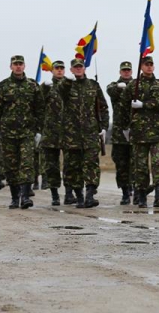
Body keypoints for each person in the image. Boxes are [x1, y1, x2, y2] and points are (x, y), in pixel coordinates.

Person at [0, 55, 45, 209]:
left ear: (24, 66)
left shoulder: (32, 85)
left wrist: (39, 131)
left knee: (27, 164)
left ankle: (26, 197)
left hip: (27, 132)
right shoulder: (3, 86)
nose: (18, 67)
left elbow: (40, 109)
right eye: (15, 64)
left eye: (20, 64)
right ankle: (15, 197)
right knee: (11, 167)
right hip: (7, 134)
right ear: (11, 67)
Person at [56, 58, 109, 208]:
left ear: (84, 68)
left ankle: (90, 196)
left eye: (81, 67)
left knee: (91, 165)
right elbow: (60, 91)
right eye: (75, 67)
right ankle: (79, 197)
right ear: (71, 70)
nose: (78, 69)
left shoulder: (93, 85)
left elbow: (103, 108)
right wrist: (67, 81)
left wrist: (103, 127)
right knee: (74, 167)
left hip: (91, 133)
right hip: (71, 135)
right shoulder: (66, 86)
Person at [121, 56, 159, 208]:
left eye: (151, 64)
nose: (149, 67)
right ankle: (141, 196)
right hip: (138, 132)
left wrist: (144, 105)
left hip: (157, 132)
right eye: (146, 65)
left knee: (158, 163)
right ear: (141, 67)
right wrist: (125, 127)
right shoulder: (133, 85)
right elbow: (123, 106)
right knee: (140, 166)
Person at [106, 61, 134, 205]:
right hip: (119, 132)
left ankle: (135, 189)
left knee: (136, 164)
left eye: (128, 70)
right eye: (124, 70)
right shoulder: (113, 86)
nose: (126, 72)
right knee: (121, 165)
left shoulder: (137, 85)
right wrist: (121, 87)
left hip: (136, 130)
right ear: (120, 72)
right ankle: (124, 192)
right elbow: (111, 91)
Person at [40, 60, 66, 206]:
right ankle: (55, 194)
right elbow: (38, 103)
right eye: (57, 68)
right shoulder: (47, 87)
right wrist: (44, 89)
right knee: (52, 165)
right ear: (52, 70)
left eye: (62, 68)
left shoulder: (71, 86)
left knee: (70, 164)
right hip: (50, 131)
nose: (60, 71)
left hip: (69, 131)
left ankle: (70, 193)